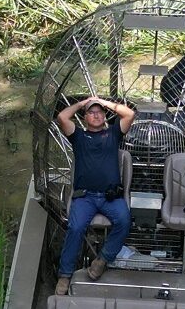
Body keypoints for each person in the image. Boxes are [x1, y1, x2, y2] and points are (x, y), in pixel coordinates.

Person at [54, 96, 136, 295]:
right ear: (85, 117)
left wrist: (102, 102)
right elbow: (62, 117)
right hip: (85, 197)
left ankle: (102, 260)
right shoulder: (79, 137)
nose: (96, 114)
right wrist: (84, 103)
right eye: (92, 112)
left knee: (125, 222)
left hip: (111, 198)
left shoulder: (113, 134)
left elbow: (129, 114)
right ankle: (65, 275)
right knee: (76, 227)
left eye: (99, 112)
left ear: (105, 115)